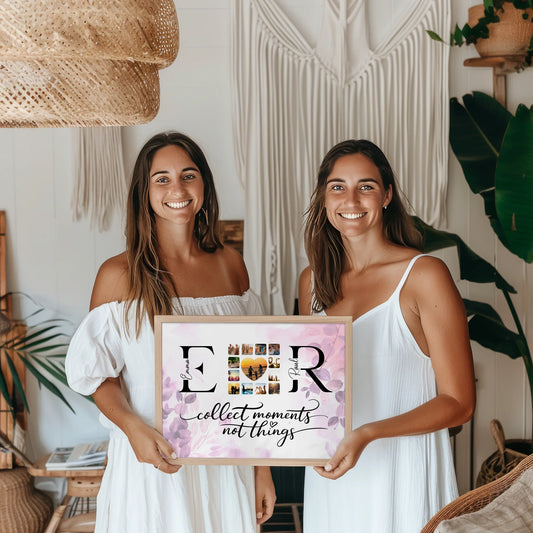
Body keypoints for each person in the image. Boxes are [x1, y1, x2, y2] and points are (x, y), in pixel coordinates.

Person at [66, 132, 275, 533]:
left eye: (188, 175)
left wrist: (262, 469)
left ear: (204, 184)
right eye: (161, 179)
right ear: (143, 193)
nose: (177, 189)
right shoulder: (118, 274)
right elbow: (98, 377)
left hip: (226, 461)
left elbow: (254, 377)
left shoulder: (231, 264)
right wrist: (132, 428)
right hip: (153, 463)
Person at [299, 139, 475, 533]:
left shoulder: (424, 275)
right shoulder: (311, 282)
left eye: (366, 186)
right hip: (331, 478)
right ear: (324, 198)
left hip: (403, 476)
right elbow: (309, 391)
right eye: (338, 187)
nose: (351, 200)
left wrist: (368, 434)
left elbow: (459, 403)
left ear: (387, 195)